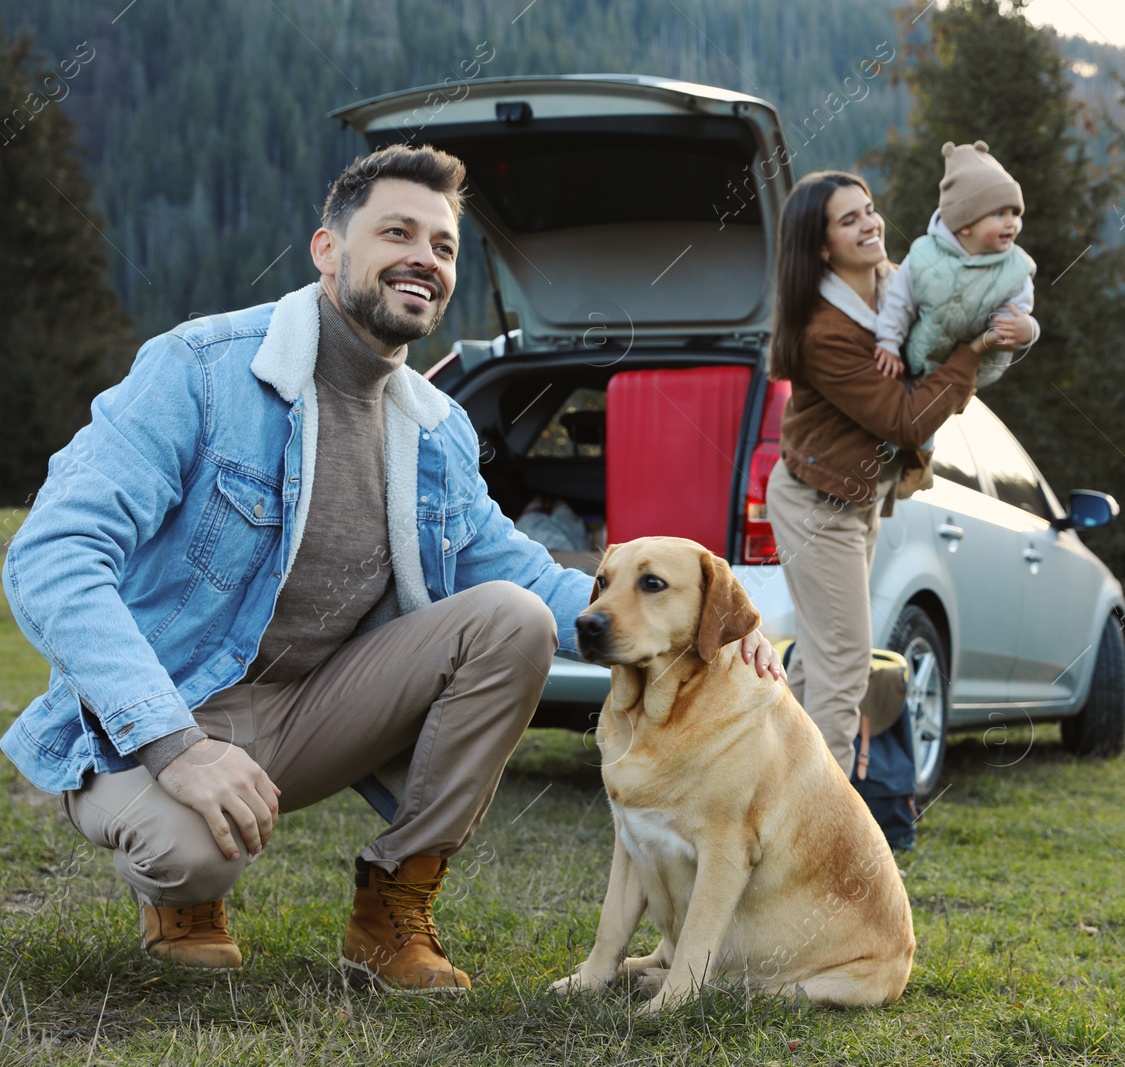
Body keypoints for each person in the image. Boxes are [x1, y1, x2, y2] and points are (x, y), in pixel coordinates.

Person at [0, 144, 782, 993]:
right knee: (191, 855)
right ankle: (182, 896)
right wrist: (177, 744)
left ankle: (391, 905)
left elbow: (538, 582)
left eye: (444, 246)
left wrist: (720, 632)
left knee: (511, 617)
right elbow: (53, 554)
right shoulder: (200, 369)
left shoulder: (437, 430)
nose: (426, 259)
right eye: (398, 232)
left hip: (312, 711)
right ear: (327, 249)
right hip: (158, 714)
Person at [764, 170, 991, 775]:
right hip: (815, 504)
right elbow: (905, 420)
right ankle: (827, 845)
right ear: (820, 246)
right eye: (849, 219)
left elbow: (940, 359)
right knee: (844, 670)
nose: (870, 224)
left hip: (856, 498)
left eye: (869, 210)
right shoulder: (824, 332)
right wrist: (972, 354)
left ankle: (775, 804)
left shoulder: (900, 286)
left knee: (819, 664)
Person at [873, 140, 1039, 495]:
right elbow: (899, 303)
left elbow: (1020, 313)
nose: (1011, 222)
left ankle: (920, 463)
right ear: (964, 224)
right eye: (999, 214)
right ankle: (891, 462)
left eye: (1015, 213)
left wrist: (1026, 330)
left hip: (973, 362)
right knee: (897, 402)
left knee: (934, 406)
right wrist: (888, 342)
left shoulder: (1015, 269)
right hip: (919, 351)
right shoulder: (925, 256)